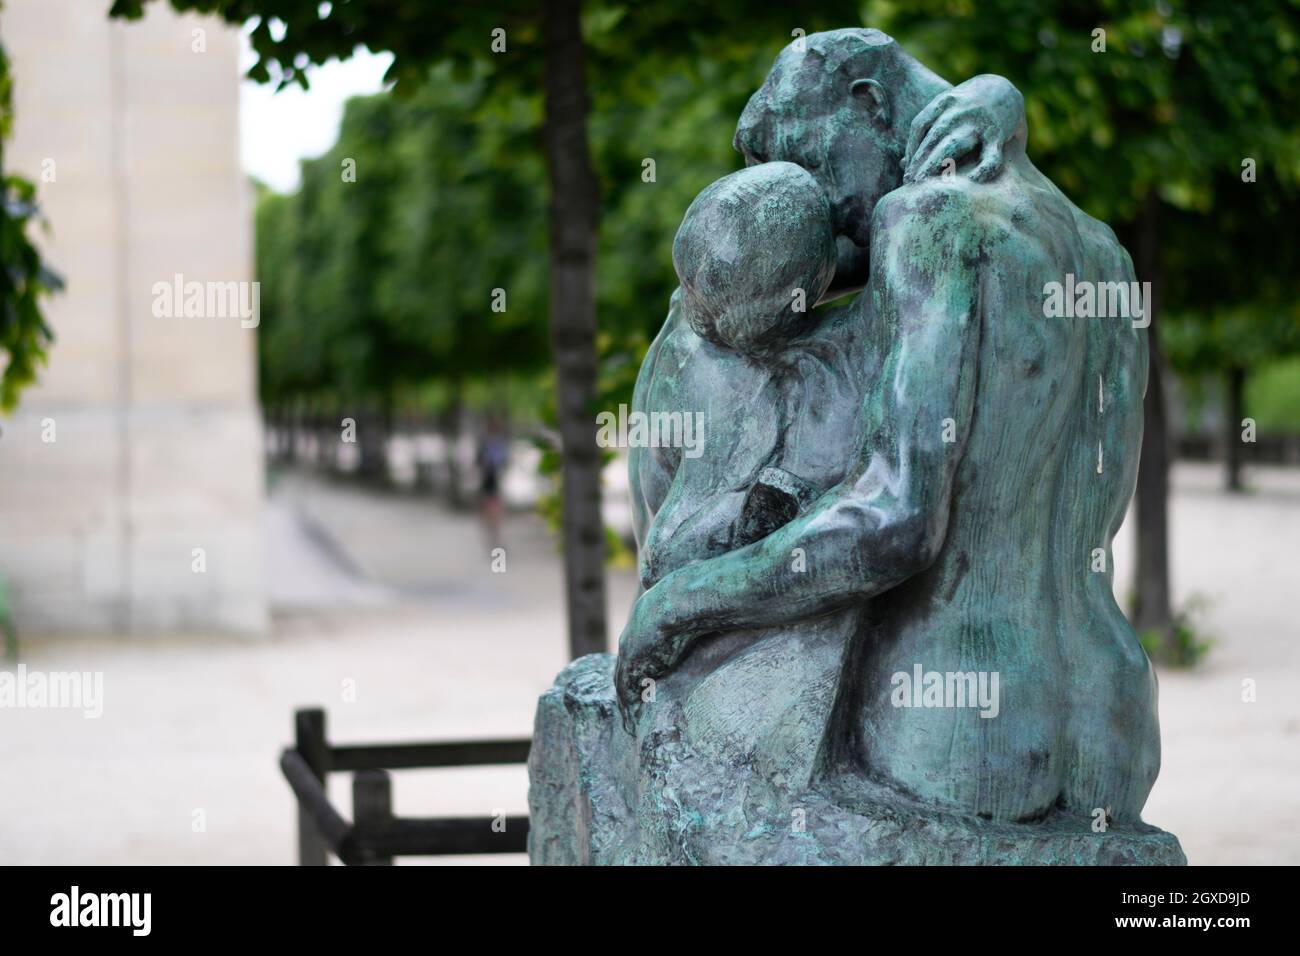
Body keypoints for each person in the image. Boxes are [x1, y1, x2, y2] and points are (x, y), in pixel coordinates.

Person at [619, 29, 1158, 824]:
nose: (818, 209)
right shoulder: (1102, 254)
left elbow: (895, 519)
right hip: (1113, 715)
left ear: (869, 103)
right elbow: (1099, 506)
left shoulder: (926, 223)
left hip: (961, 722)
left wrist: (684, 602)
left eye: (810, 165)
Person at [476, 416, 510, 552]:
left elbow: (479, 462)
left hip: (491, 479)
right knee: (493, 507)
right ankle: (494, 535)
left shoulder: (490, 443)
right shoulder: (492, 443)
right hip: (491, 479)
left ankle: (494, 534)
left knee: (492, 507)